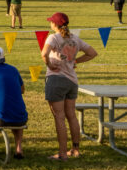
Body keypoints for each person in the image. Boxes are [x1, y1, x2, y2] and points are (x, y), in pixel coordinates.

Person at [40, 12, 97, 161]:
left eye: (51, 22)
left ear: (55, 25)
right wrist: (75, 62)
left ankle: (62, 154)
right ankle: (75, 149)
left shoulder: (53, 37)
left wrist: (49, 64)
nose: (50, 24)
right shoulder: (75, 39)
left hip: (56, 80)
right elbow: (92, 53)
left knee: (59, 117)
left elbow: (44, 53)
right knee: (71, 115)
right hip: (72, 81)